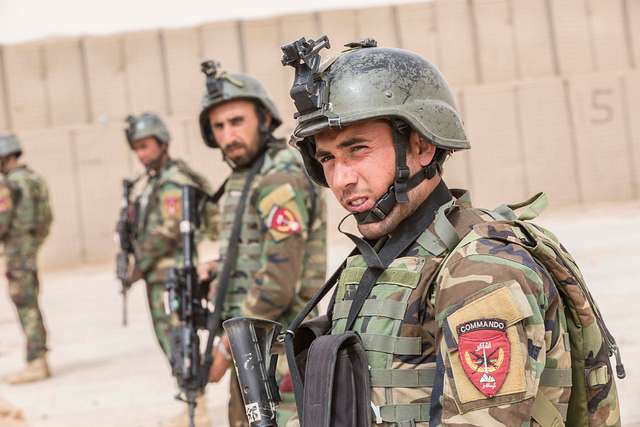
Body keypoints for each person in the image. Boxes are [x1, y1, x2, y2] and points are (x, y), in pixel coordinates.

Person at [280, 38, 622, 426]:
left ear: (422, 147)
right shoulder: (370, 266)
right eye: (327, 158)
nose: (341, 178)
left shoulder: (482, 271)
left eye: (357, 150)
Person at [196, 62, 326, 427]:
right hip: (253, 344)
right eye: (219, 127)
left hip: (280, 350)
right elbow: (251, 251)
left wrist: (223, 350)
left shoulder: (278, 175)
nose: (228, 135)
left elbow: (277, 281)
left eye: (237, 122)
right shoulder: (247, 176)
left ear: (265, 120)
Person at [120, 113, 218, 427]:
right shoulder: (152, 182)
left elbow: (169, 229)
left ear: (163, 144)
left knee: (180, 339)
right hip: (159, 276)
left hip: (172, 275)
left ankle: (197, 408)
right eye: (136, 147)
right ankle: (192, 402)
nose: (141, 153)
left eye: (146, 146)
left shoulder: (174, 181)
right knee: (171, 339)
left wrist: (139, 266)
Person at [0, 133, 53, 385]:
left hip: (17, 252)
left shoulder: (8, 184)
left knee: (25, 304)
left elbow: (2, 221)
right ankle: (39, 357)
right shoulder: (34, 179)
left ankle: (36, 361)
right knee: (31, 301)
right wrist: (34, 242)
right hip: (30, 248)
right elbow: (46, 218)